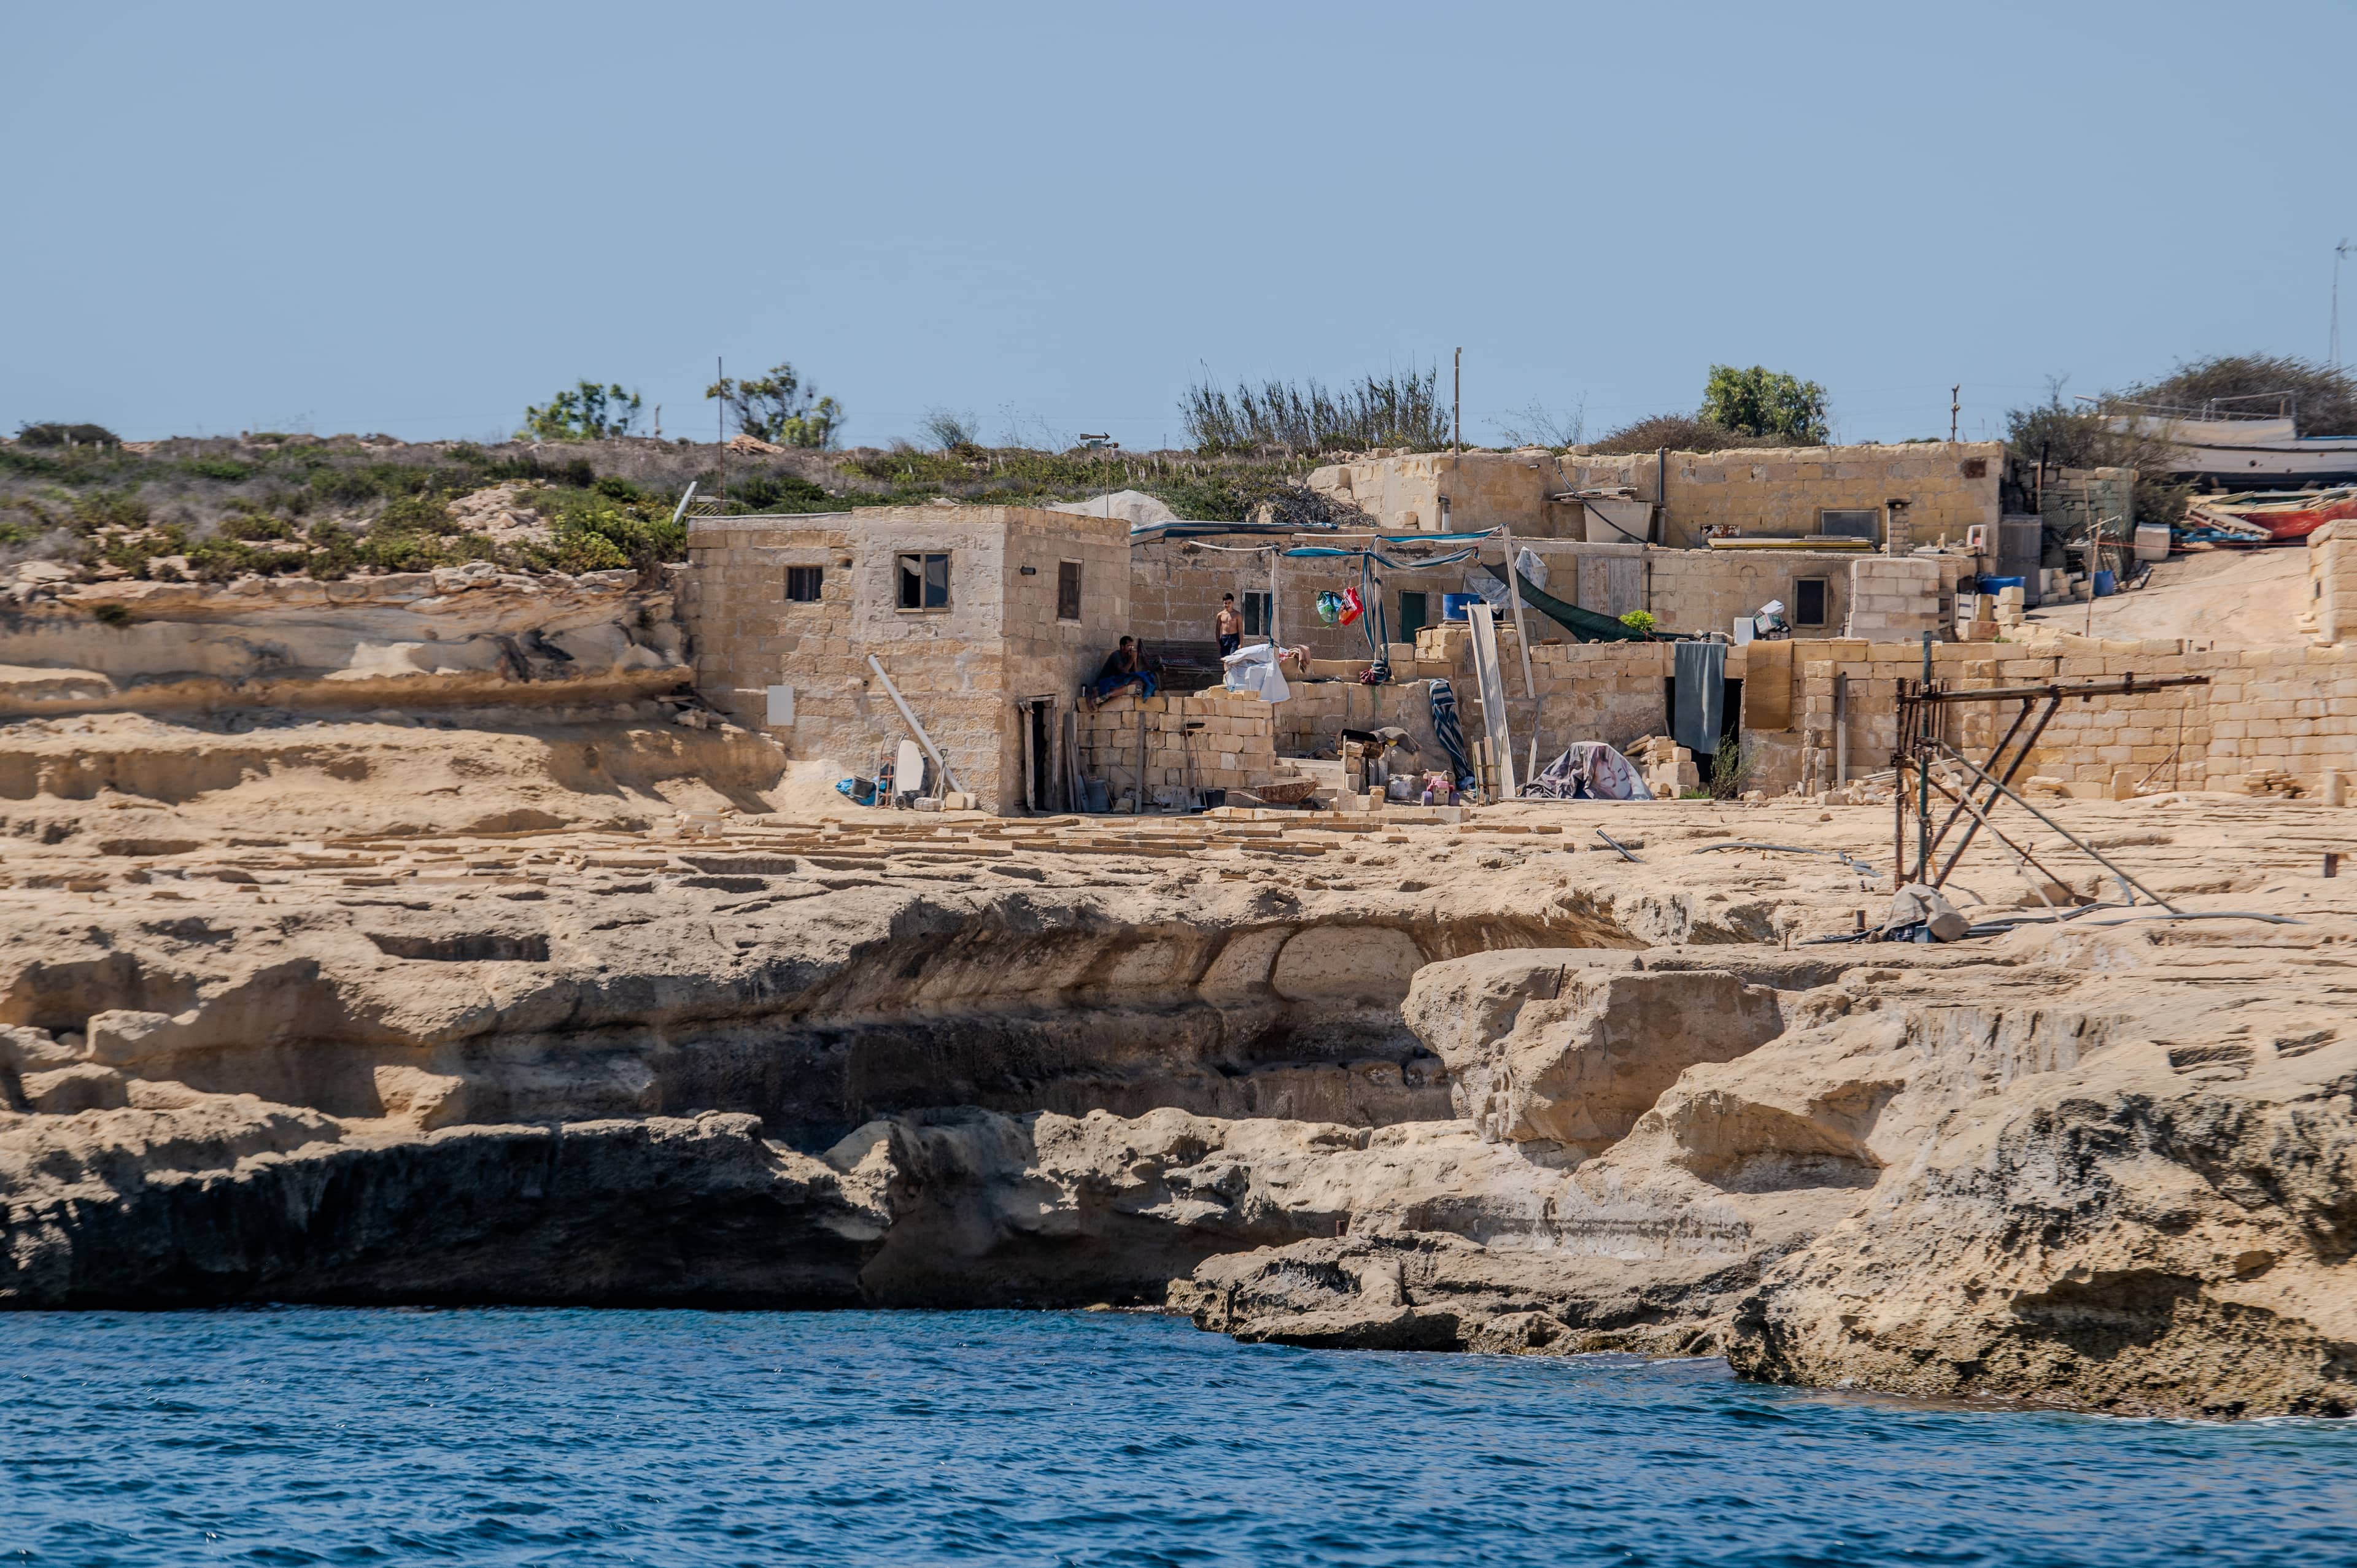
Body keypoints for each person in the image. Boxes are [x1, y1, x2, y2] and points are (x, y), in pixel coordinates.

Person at [1094, 636, 1156, 701]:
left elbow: (1136, 673)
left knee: (1142, 681)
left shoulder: (1129, 657)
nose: (1131, 649)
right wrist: (1132, 659)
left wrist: (1134, 660)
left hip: (1119, 681)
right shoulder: (1116, 655)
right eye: (1129, 646)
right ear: (1123, 647)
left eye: (1132, 647)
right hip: (1108, 681)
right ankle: (1108, 695)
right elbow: (1123, 671)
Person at [1215, 593, 1242, 657]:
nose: (1227, 605)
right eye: (1225, 603)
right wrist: (1218, 643)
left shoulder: (1237, 615)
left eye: (1229, 603)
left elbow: (1240, 630)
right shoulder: (1220, 615)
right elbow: (1217, 630)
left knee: (1233, 658)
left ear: (1233, 602)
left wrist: (1241, 643)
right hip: (1224, 638)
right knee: (1225, 659)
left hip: (1234, 638)